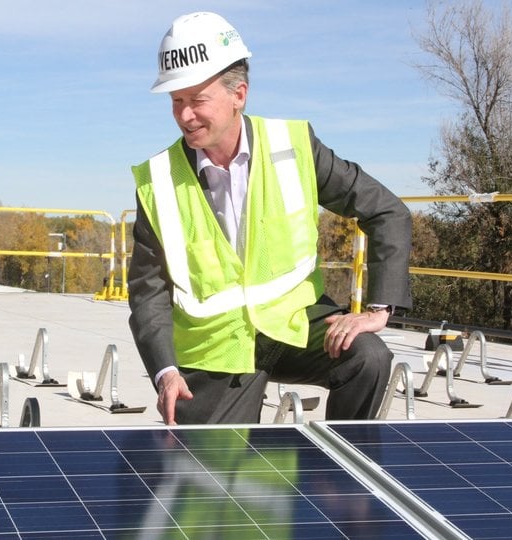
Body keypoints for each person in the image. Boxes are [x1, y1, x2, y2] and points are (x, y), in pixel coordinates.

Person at [128, 12, 412, 425]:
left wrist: (378, 308)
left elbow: (387, 211)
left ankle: (341, 472)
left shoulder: (294, 147)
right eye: (176, 101)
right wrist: (164, 371)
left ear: (238, 94)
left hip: (293, 325)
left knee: (367, 355)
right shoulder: (158, 180)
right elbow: (147, 290)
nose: (184, 116)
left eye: (197, 100)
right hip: (217, 348)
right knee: (211, 484)